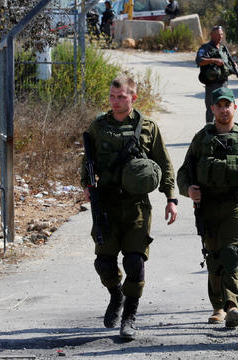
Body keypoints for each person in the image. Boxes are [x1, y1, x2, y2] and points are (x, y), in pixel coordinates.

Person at [81, 75, 178, 340]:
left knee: (135, 262)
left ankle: (129, 317)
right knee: (104, 263)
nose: (115, 102)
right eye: (112, 97)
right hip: (107, 204)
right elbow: (88, 162)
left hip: (136, 205)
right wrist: (86, 185)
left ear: (133, 97)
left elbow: (164, 164)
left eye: (121, 97)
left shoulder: (148, 127)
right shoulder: (99, 127)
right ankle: (116, 295)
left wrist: (171, 198)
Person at [177, 87, 238, 329]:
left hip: (235, 205)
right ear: (212, 109)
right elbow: (183, 173)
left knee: (232, 254)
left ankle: (232, 305)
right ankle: (218, 307)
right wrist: (188, 190)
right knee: (214, 258)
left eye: (227, 105)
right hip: (207, 206)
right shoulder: (202, 138)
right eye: (218, 105)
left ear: (234, 107)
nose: (223, 109)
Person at [196, 26, 235, 124]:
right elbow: (199, 61)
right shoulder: (205, 48)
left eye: (221, 34)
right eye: (218, 34)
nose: (220, 36)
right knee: (212, 109)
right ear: (212, 35)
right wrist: (214, 60)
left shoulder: (223, 48)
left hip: (224, 83)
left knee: (225, 109)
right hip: (212, 84)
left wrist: (232, 64)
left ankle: (223, 130)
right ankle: (209, 131)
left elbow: (226, 63)